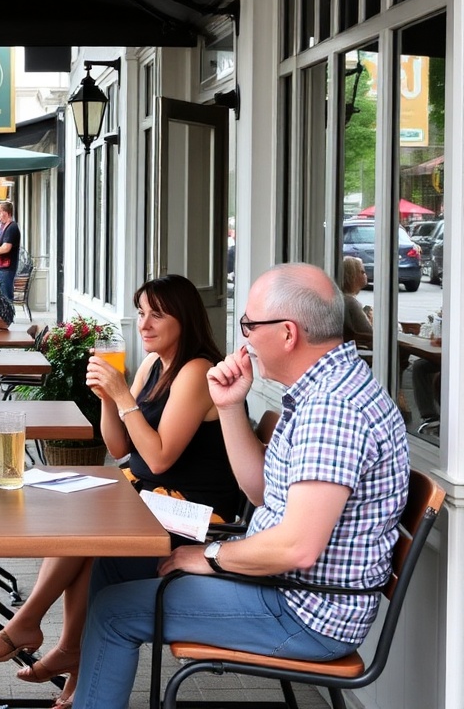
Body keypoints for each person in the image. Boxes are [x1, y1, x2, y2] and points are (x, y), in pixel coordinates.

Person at [72, 263, 410, 709]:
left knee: (113, 614)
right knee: (112, 568)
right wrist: (230, 407)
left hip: (303, 611)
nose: (244, 337)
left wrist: (210, 556)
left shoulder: (333, 410)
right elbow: (261, 493)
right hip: (284, 587)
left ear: (288, 334)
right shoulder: (321, 390)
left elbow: (297, 549)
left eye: (250, 324)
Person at [0, 274, 240, 708]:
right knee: (82, 520)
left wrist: (123, 396)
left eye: (156, 315)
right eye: (141, 312)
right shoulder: (153, 365)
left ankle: (33, 627)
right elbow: (119, 448)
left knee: (91, 526)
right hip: (154, 500)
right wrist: (107, 400)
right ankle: (68, 649)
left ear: (184, 320)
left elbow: (160, 458)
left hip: (194, 515)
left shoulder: (197, 371)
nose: (143, 324)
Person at [0, 201, 21, 293]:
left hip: (5, 269)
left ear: (4, 212)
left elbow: (5, 248)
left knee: (5, 296)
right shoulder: (4, 226)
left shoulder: (11, 227)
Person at [341, 256, 372, 344]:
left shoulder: (343, 298)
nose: (365, 275)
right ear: (352, 276)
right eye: (362, 272)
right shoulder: (350, 302)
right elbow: (368, 333)